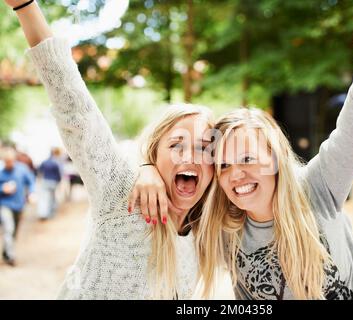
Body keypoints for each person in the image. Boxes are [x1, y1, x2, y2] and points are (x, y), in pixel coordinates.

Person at [132, 0, 353, 299]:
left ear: (273, 158)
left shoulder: (318, 187)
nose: (236, 175)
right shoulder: (222, 227)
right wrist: (146, 169)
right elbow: (176, 187)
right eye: (224, 165)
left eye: (247, 158)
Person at [3, 0, 215, 299]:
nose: (191, 155)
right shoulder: (123, 195)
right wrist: (26, 6)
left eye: (205, 147)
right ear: (154, 154)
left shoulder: (207, 230)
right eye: (177, 144)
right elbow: (73, 104)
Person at [0, 147, 36, 266]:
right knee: (8, 228)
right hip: (4, 205)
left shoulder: (22, 169)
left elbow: (31, 181)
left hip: (19, 205)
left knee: (14, 231)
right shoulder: (1, 171)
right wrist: (2, 189)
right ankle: (11, 256)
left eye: (11, 161)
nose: (9, 163)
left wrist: (31, 193)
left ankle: (6, 252)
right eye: (6, 161)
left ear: (14, 159)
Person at [37, 147, 63, 220]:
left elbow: (39, 170)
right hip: (54, 182)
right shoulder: (56, 163)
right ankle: (51, 213)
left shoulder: (45, 162)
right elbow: (58, 174)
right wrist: (59, 181)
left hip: (45, 181)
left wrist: (39, 179)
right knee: (52, 198)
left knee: (44, 198)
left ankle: (43, 214)